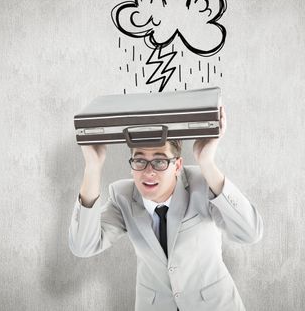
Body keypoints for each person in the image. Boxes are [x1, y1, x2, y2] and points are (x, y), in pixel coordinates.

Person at [69, 106, 263, 311]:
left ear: (178, 166)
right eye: (140, 160)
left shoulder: (203, 183)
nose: (148, 172)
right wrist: (93, 166)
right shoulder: (123, 197)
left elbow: (250, 233)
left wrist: (207, 162)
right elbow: (83, 246)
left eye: (160, 161)